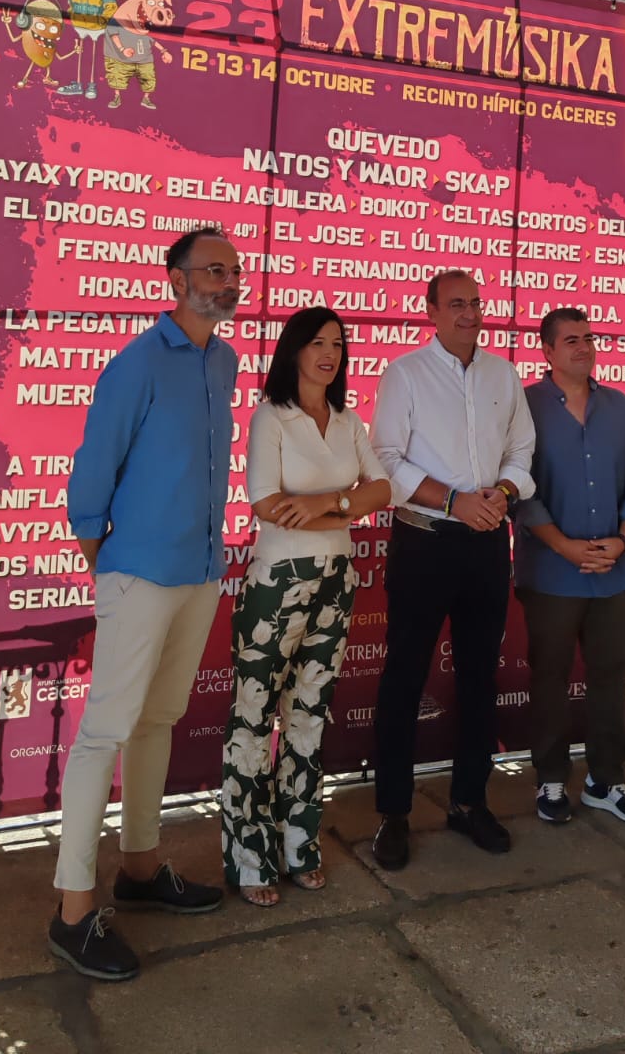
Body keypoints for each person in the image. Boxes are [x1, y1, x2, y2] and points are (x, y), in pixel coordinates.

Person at [48, 225, 241, 982]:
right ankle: (72, 912)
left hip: (197, 572)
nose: (225, 281)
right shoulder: (134, 365)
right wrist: (109, 565)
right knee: (104, 734)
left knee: (157, 722)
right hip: (138, 575)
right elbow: (92, 474)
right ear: (175, 279)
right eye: (211, 269)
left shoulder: (224, 360)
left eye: (233, 270)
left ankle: (139, 868)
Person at [221, 307, 390, 905]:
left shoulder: (347, 421)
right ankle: (249, 852)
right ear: (293, 350)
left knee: (310, 714)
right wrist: (347, 502)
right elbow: (266, 502)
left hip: (336, 578)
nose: (330, 354)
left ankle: (300, 842)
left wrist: (323, 507)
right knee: (253, 715)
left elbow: (383, 488)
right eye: (317, 343)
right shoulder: (272, 416)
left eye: (338, 344)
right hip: (277, 581)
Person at [368, 269, 536, 870]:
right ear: (431, 310)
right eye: (457, 304)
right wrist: (452, 501)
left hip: (487, 545)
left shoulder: (502, 374)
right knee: (404, 678)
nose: (470, 313)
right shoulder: (405, 374)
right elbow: (384, 459)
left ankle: (469, 802)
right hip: (425, 544)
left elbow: (522, 450)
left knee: (477, 679)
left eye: (476, 302)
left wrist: (504, 493)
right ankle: (393, 813)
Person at [516, 308, 625, 828]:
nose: (584, 347)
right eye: (571, 340)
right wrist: (564, 547)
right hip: (552, 571)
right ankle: (551, 778)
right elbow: (519, 489)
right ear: (547, 352)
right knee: (549, 676)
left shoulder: (619, 406)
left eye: (589, 338)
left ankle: (606, 779)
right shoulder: (523, 407)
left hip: (613, 571)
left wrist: (622, 540)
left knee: (611, 676)